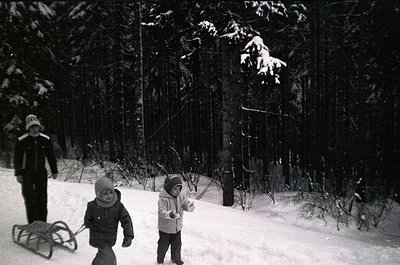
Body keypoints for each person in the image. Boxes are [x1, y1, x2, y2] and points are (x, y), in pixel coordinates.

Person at [14, 114, 58, 224]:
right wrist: (18, 173)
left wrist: (54, 170)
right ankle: (33, 223)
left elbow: (51, 156)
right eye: (32, 127)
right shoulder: (22, 141)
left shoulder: (45, 139)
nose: (35, 129)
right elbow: (17, 158)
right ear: (28, 128)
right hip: (26, 173)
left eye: (36, 127)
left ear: (39, 127)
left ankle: (42, 222)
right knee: (30, 199)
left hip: (41, 173)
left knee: (42, 198)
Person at [84, 177, 134, 265]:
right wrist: (87, 223)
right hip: (98, 237)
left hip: (110, 238)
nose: (109, 195)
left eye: (111, 192)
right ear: (99, 194)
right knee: (110, 258)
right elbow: (88, 218)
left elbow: (126, 221)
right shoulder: (93, 206)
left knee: (101, 255)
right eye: (105, 193)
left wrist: (128, 236)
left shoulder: (118, 206)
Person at [157, 175, 195, 265]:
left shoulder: (181, 197)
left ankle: (176, 258)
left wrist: (189, 207)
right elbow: (161, 212)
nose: (177, 191)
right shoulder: (163, 200)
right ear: (169, 188)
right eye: (175, 189)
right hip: (165, 229)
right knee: (163, 246)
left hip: (177, 228)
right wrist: (170, 214)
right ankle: (160, 259)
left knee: (177, 245)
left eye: (179, 188)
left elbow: (185, 204)